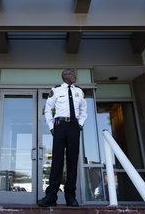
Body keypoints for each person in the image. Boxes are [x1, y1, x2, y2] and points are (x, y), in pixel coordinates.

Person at [37, 69, 87, 207]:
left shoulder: (79, 92)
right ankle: (51, 196)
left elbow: (83, 109)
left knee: (72, 161)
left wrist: (80, 123)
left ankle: (70, 197)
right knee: (57, 161)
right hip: (60, 126)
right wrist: (51, 126)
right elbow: (48, 109)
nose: (75, 76)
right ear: (65, 77)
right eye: (72, 74)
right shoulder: (56, 90)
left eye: (75, 74)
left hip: (74, 127)